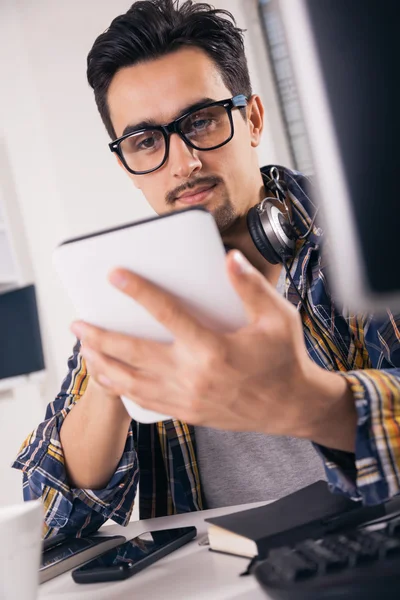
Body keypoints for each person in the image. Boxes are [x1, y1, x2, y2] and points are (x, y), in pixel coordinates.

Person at [13, 0, 400, 539]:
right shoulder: (137, 290)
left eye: (201, 120)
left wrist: (307, 403)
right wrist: (109, 385)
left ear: (254, 119)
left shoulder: (365, 222)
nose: (184, 161)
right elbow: (43, 518)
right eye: (146, 141)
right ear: (127, 165)